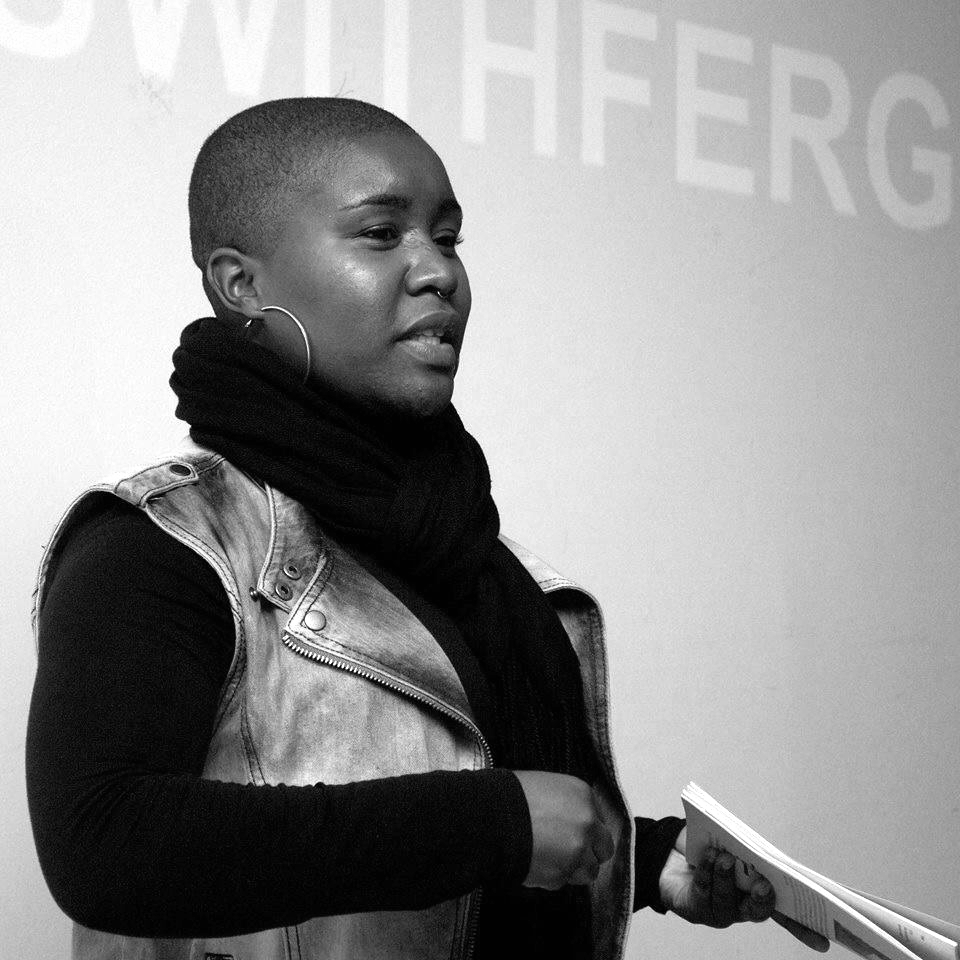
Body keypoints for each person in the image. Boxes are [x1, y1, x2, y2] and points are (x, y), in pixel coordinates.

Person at [26, 97, 826, 959]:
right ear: (242, 285)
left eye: (448, 237)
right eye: (382, 234)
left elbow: (493, 842)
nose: (439, 270)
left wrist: (648, 861)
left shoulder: (476, 558)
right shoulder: (161, 544)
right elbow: (104, 843)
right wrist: (491, 824)